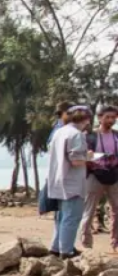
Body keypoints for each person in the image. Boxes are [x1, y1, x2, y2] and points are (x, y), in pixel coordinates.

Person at [46, 104, 91, 258]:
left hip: (58, 182)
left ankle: (56, 247)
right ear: (85, 119)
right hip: (72, 183)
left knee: (61, 217)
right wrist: (90, 157)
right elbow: (76, 160)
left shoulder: (59, 132)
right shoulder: (76, 134)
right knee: (72, 217)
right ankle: (66, 251)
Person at [80, 104, 118, 251]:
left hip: (114, 176)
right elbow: (82, 156)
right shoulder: (90, 136)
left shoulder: (116, 135)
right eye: (107, 117)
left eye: (113, 117)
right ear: (100, 118)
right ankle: (86, 245)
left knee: (117, 210)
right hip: (94, 176)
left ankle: (115, 244)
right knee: (88, 211)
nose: (111, 120)